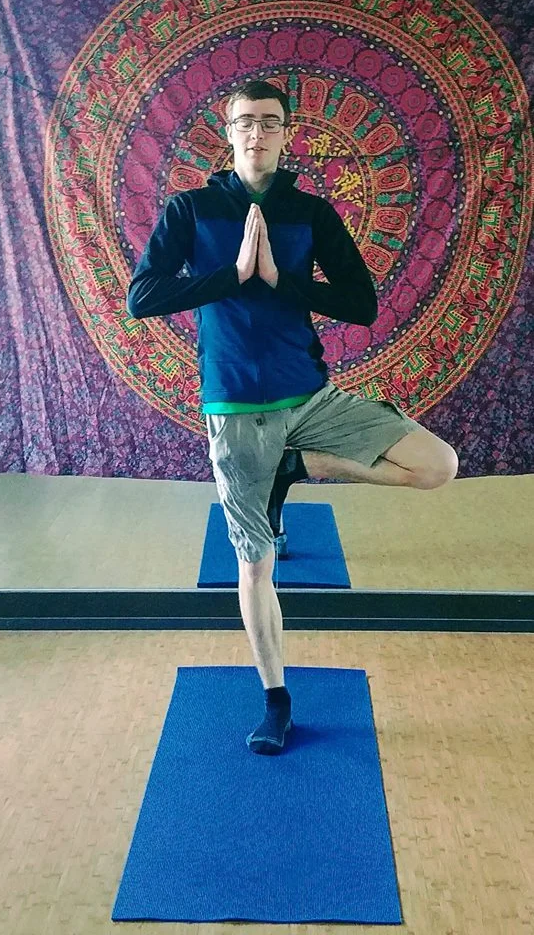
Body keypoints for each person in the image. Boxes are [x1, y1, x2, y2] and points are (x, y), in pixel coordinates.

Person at [127, 79, 459, 756]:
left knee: (438, 466)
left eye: (270, 122)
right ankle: (275, 698)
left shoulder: (310, 212)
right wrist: (234, 274)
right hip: (235, 408)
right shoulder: (191, 209)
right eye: (245, 121)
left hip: (310, 397)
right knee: (256, 565)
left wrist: (282, 279)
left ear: (286, 134)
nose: (257, 133)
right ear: (228, 132)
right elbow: (143, 297)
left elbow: (362, 304)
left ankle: (297, 465)